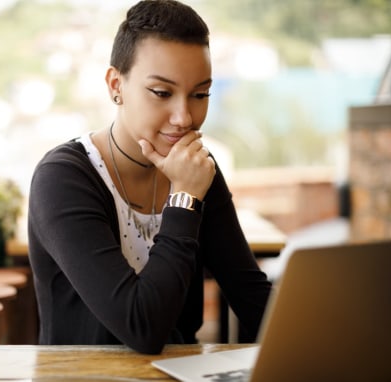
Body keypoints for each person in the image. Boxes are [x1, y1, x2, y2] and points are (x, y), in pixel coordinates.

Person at [28, 0, 272, 355]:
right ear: (116, 84)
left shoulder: (198, 170)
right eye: (162, 93)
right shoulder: (62, 179)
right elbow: (142, 328)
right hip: (85, 377)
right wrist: (185, 198)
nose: (184, 117)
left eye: (200, 94)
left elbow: (249, 294)